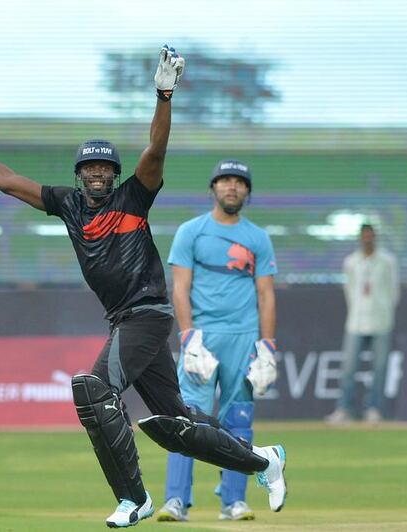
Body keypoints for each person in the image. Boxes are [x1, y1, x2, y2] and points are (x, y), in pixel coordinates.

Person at [0, 45, 286, 528]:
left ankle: (134, 498)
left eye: (105, 169)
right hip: (126, 320)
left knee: (93, 391)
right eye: (90, 169)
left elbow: (155, 149)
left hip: (148, 313)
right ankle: (265, 460)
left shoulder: (134, 197)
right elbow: (7, 181)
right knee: (175, 426)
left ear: (114, 176)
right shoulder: (69, 206)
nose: (97, 174)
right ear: (79, 175)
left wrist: (164, 94)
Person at [157, 160, 278, 522]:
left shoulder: (258, 238)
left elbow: (266, 295)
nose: (231, 187)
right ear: (213, 188)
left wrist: (268, 348)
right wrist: (189, 336)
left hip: (243, 339)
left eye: (239, 182)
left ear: (247, 192)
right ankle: (176, 501)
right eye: (225, 181)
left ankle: (234, 501)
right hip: (202, 340)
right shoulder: (191, 232)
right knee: (186, 422)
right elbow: (180, 287)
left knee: (239, 420)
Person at [326, 223, 400, 424]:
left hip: (381, 320)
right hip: (356, 321)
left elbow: (394, 291)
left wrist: (385, 309)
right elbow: (349, 290)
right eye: (364, 236)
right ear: (360, 238)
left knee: (379, 368)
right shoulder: (351, 262)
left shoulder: (387, 261)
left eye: (371, 236)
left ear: (375, 237)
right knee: (349, 367)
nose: (367, 239)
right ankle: (344, 409)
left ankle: (374, 409)